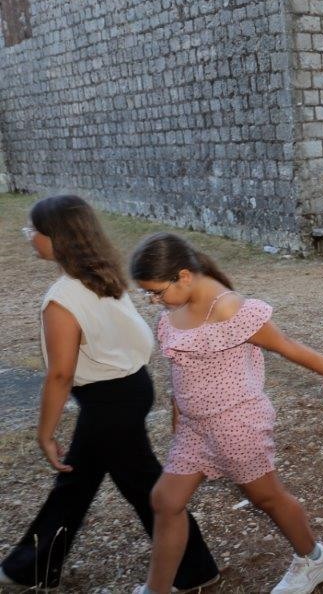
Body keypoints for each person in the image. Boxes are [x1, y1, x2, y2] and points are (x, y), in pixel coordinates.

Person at [0, 196, 219, 592]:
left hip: (108, 402)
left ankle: (195, 570)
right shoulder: (104, 278)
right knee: (78, 482)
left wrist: (45, 434)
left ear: (56, 238)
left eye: (33, 230)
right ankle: (30, 567)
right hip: (130, 389)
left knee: (142, 485)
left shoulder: (62, 299)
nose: (29, 237)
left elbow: (60, 374)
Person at [129, 233, 323, 594]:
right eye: (148, 294)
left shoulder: (229, 309)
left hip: (236, 423)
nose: (154, 301)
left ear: (183, 276)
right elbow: (180, 369)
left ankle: (314, 558)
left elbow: (286, 346)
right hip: (194, 427)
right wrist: (178, 411)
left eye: (156, 292)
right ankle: (157, 588)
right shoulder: (174, 311)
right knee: (165, 501)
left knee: (267, 498)